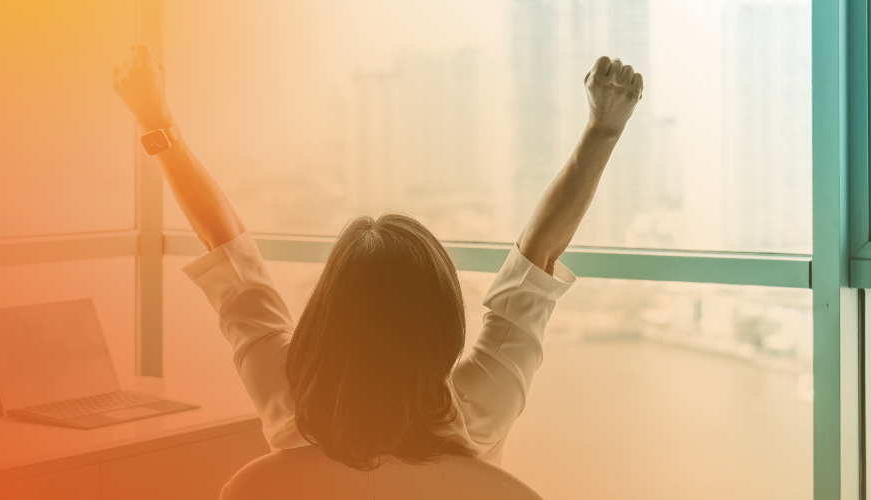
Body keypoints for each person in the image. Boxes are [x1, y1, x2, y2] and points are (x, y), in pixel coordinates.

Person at [112, 44, 642, 470]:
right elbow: (535, 263)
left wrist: (154, 117)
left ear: (326, 311)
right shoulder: (481, 410)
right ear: (441, 323)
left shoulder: (287, 395)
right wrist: (603, 131)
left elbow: (225, 248)